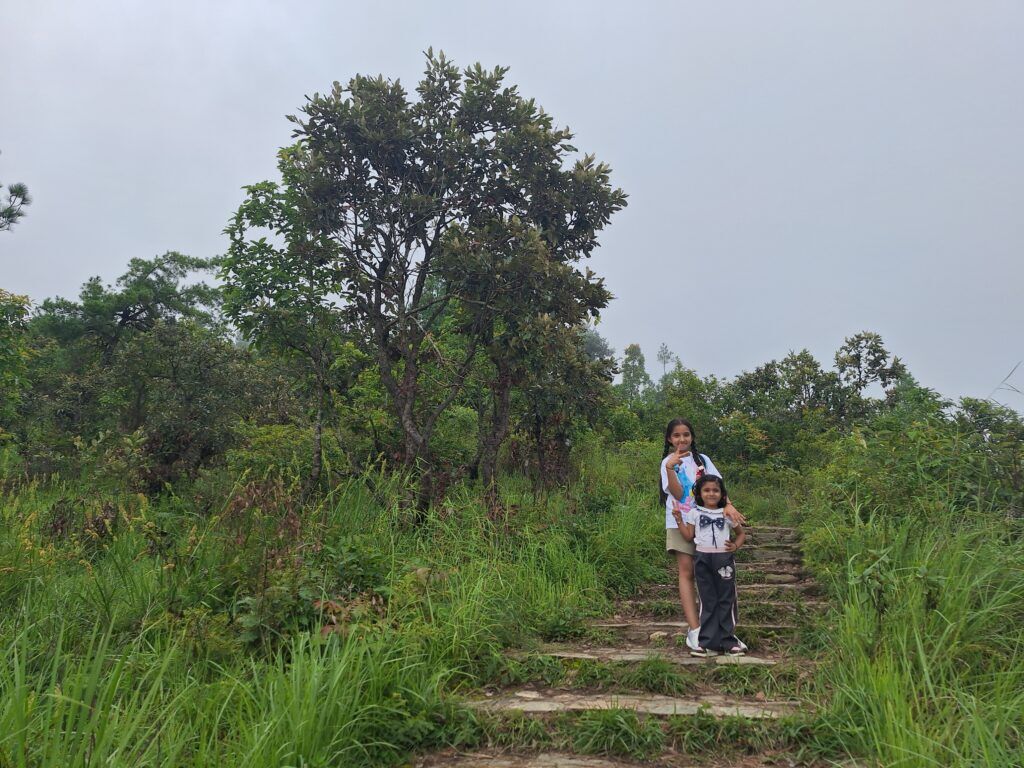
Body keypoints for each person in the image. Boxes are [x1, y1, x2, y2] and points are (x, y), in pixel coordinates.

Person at [659, 418, 746, 651]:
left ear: (692, 437)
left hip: (711, 525)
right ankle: (696, 629)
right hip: (681, 521)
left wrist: (729, 506)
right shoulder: (667, 462)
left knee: (717, 578)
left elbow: (717, 486)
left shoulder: (703, 460)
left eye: (686, 434)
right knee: (687, 572)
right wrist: (670, 468)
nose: (681, 439)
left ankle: (723, 631)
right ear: (669, 439)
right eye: (676, 436)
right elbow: (677, 494)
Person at [680, 474, 747, 656]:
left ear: (722, 494)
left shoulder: (727, 513)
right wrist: (678, 519)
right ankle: (706, 641)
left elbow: (741, 534)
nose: (711, 494)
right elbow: (688, 536)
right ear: (699, 494)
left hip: (723, 560)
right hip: (702, 558)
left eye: (716, 490)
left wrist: (735, 546)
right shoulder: (694, 513)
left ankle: (728, 641)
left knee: (726, 599)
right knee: (707, 600)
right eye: (707, 490)